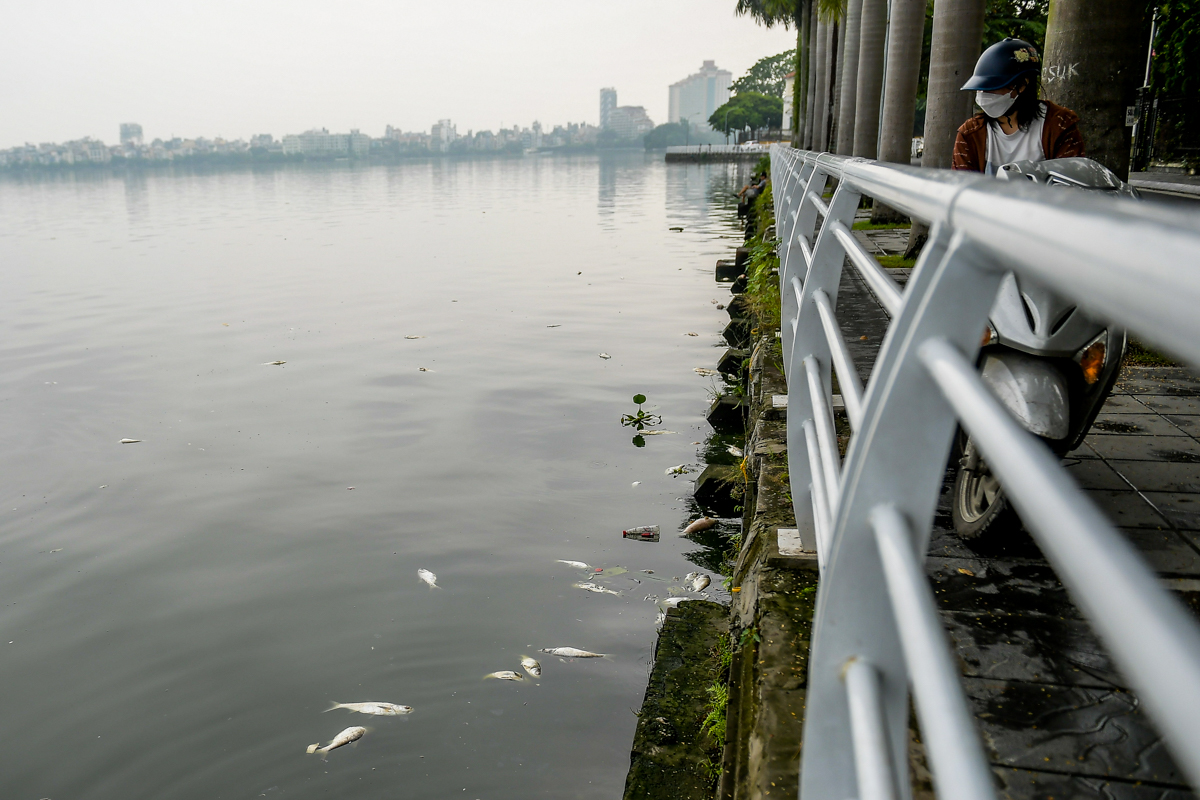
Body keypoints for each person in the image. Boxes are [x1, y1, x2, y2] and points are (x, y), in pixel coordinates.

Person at [952, 38, 1085, 175]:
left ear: (1022, 85)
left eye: (992, 87)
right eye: (980, 88)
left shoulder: (1059, 124)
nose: (983, 95)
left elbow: (1072, 184)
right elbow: (962, 187)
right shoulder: (969, 134)